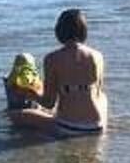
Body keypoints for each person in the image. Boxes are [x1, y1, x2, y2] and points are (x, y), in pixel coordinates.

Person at [8, 7, 107, 136]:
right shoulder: (97, 56)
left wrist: (29, 93)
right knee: (102, 97)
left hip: (69, 127)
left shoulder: (52, 58)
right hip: (97, 126)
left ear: (60, 31)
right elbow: (98, 92)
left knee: (15, 116)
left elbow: (49, 103)